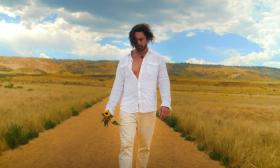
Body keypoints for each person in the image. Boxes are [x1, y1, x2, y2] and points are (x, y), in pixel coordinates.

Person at [104, 23, 172, 168]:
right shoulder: (123, 61)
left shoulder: (158, 60)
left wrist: (166, 103)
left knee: (144, 147)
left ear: (147, 38)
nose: (139, 43)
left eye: (141, 39)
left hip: (148, 109)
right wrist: (109, 109)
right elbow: (117, 86)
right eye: (136, 40)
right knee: (125, 146)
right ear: (132, 40)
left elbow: (164, 82)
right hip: (127, 109)